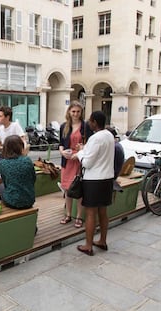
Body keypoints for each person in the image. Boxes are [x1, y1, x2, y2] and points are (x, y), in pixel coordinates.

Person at [73, 111, 115, 256]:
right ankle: (102, 240)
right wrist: (85, 150)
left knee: (90, 213)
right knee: (103, 212)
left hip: (93, 180)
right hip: (107, 178)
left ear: (94, 122)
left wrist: (79, 153)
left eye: (90, 121)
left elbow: (87, 163)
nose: (88, 123)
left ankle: (88, 245)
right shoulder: (109, 135)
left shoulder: (95, 138)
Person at [59, 100, 93, 228]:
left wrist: (80, 150)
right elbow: (61, 143)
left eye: (78, 111)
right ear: (69, 112)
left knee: (78, 189)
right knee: (67, 189)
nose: (75, 114)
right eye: (73, 111)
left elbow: (90, 144)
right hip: (67, 161)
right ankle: (67, 214)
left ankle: (78, 217)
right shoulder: (64, 126)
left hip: (79, 160)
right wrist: (62, 152)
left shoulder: (86, 126)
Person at [0, 106, 26, 194]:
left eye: (0, 116)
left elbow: (23, 140)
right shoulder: (0, 129)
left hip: (13, 156)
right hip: (3, 154)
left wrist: (22, 154)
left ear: (7, 117)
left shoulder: (15, 126)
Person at [0, 135, 36, 209]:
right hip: (29, 200)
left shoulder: (2, 163)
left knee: (1, 186)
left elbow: (6, 183)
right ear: (21, 147)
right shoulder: (27, 160)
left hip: (12, 202)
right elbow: (33, 178)